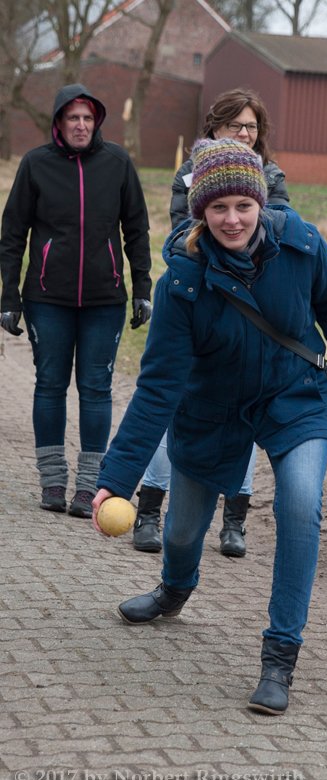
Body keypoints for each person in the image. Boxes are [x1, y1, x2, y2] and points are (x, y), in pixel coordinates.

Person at [92, 137, 327, 715]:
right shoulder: (182, 282)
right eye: (218, 208)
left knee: (299, 506)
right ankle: (175, 587)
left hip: (294, 396)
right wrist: (118, 475)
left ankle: (280, 656)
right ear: (200, 211)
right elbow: (158, 387)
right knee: (183, 531)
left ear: (261, 203)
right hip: (212, 410)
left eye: (243, 206)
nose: (232, 219)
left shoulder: (301, 244)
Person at [133, 87, 289, 556]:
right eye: (234, 125)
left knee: (245, 410)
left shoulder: (272, 175)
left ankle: (234, 521)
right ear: (214, 127)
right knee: (176, 405)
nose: (243, 134)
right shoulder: (189, 174)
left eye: (251, 127)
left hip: (251, 308)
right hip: (197, 301)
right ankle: (149, 510)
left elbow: (278, 233)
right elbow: (185, 234)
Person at [0, 83, 152, 518]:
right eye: (73, 118)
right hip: (47, 298)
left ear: (96, 121)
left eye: (87, 118)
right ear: (59, 123)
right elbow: (12, 235)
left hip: (105, 299)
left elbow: (137, 230)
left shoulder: (117, 163)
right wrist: (9, 296)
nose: (81, 125)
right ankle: (52, 481)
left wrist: (143, 289)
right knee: (50, 384)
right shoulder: (36, 165)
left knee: (96, 388)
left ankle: (88, 487)